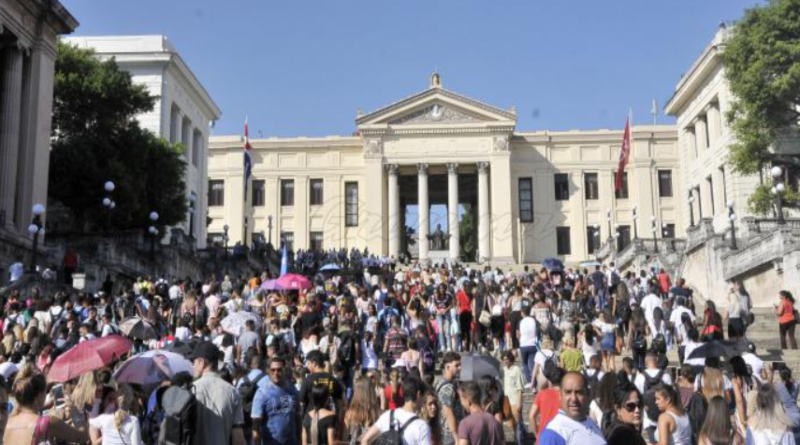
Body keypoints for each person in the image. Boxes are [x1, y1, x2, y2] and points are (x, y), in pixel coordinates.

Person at [3, 366, 88, 445]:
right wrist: (76, 413)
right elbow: (82, 436)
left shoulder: (7, 421)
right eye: (45, 391)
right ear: (39, 395)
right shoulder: (47, 423)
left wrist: (44, 406)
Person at [191, 341, 246, 445]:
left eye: (194, 362)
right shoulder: (233, 392)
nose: (193, 366)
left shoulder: (191, 390)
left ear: (202, 363)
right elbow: (238, 438)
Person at [538, 371, 607, 445]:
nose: (574, 399)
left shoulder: (591, 423)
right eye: (568, 392)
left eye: (579, 392)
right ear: (560, 395)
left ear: (588, 394)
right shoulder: (554, 434)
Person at [360, 377, 431, 445]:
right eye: (423, 397)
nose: (423, 401)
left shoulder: (387, 415)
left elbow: (365, 440)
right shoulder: (421, 426)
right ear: (418, 395)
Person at [252, 356, 301, 445]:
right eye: (273, 370)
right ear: (268, 371)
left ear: (284, 370)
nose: (276, 373)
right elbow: (256, 426)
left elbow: (297, 417)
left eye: (279, 370)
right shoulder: (262, 392)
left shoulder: (292, 389)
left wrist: (300, 440)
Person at [530, 365, 565, 442]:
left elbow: (531, 416)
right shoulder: (565, 396)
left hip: (543, 436)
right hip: (560, 437)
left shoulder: (541, 394)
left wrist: (537, 435)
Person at [437, 352, 464, 445]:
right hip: (449, 436)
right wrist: (456, 436)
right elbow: (448, 411)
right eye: (457, 365)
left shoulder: (443, 383)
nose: (460, 368)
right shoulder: (447, 388)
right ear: (447, 367)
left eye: (460, 365)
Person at [502, 351, 525, 445]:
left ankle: (520, 442)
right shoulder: (503, 370)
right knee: (512, 424)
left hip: (515, 399)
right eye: (504, 360)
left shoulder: (516, 369)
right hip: (506, 400)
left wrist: (519, 402)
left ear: (511, 359)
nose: (505, 361)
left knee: (518, 423)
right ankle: (519, 439)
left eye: (507, 359)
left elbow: (520, 388)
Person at [519, 305, 538, 387]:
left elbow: (518, 333)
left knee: (524, 363)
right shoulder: (533, 320)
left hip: (523, 344)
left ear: (523, 313)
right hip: (533, 344)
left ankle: (529, 381)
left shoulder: (521, 321)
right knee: (532, 363)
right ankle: (534, 381)